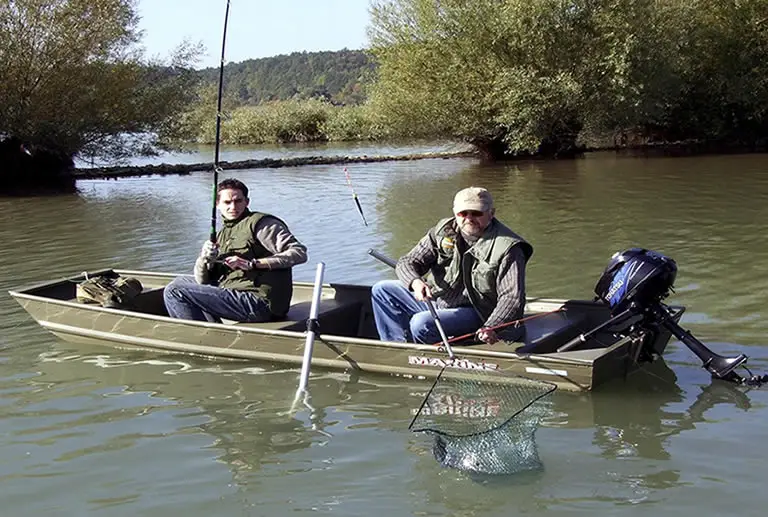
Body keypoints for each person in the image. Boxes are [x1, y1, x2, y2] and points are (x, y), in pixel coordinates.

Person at [371, 186, 533, 344]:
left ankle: (432, 354)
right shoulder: (442, 232)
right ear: (455, 213)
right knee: (382, 289)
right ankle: (396, 347)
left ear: (491, 214)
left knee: (421, 323)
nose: (469, 219)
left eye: (476, 213)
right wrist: (415, 282)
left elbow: (512, 298)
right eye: (463, 213)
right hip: (439, 301)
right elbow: (407, 262)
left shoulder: (509, 248)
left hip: (480, 313)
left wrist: (492, 326)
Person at [164, 178, 308, 323]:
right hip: (234, 293)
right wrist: (204, 259)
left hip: (259, 303)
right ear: (217, 204)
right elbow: (203, 281)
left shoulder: (262, 224)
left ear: (247, 202)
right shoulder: (222, 234)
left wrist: (253, 264)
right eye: (227, 202)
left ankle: (198, 337)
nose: (233, 207)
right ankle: (212, 330)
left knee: (174, 291)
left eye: (238, 201)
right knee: (180, 281)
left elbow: (299, 253)